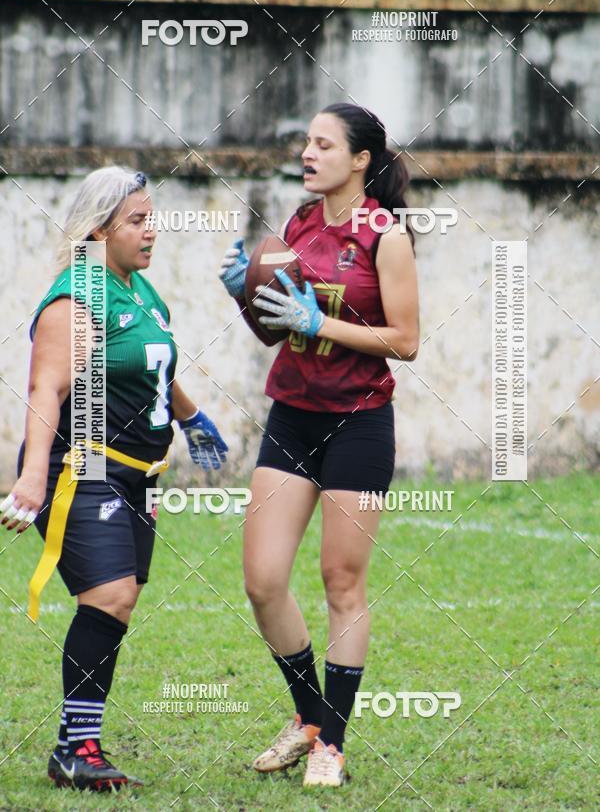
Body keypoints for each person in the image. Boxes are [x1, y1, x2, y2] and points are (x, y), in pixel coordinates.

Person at [0, 167, 228, 792]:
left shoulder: (140, 290)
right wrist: (32, 478)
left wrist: (192, 417)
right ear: (99, 231)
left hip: (137, 475)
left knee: (119, 601)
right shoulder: (78, 296)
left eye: (153, 218)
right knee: (110, 595)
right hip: (85, 465)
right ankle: (76, 750)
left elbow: (154, 366)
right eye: (137, 221)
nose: (152, 231)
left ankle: (76, 746)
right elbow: (46, 389)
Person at [219, 103, 419, 787]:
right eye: (306, 141)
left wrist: (321, 322)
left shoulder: (386, 235)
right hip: (292, 416)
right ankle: (310, 717)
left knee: (341, 580)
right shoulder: (299, 225)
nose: (308, 153)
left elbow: (406, 341)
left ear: (360, 160)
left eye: (324, 144)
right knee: (263, 580)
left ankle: (331, 743)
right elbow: (278, 331)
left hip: (360, 423)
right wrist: (246, 298)